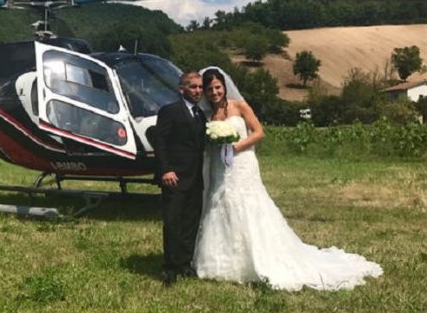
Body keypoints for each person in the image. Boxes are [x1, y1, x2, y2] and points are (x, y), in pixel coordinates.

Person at [193, 67, 383, 291]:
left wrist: (237, 147)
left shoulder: (239, 106)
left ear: (224, 87)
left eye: (217, 87)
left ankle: (257, 258)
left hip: (242, 163)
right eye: (210, 89)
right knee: (220, 205)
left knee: (246, 203)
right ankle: (222, 261)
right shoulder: (207, 114)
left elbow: (259, 132)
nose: (214, 92)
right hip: (219, 166)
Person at [153, 71, 208, 287]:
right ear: (181, 89)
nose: (197, 91)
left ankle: (185, 262)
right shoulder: (170, 111)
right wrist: (165, 170)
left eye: (200, 87)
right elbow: (160, 141)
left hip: (195, 178)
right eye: (193, 87)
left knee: (190, 222)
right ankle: (170, 267)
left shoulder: (201, 115)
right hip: (174, 177)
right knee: (173, 221)